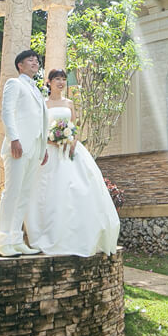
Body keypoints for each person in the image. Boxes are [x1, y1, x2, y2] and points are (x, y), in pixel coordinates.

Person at [26, 68, 120, 256]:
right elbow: (40, 128)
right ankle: (47, 234)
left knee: (78, 189)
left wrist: (71, 141)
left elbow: (74, 127)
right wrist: (53, 140)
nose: (60, 82)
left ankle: (76, 235)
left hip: (70, 150)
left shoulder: (69, 103)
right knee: (48, 193)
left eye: (63, 79)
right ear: (49, 82)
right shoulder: (43, 103)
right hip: (50, 151)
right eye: (57, 79)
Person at [0, 49, 49, 257]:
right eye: (30, 60)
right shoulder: (14, 84)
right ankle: (3, 241)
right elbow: (7, 112)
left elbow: (41, 121)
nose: (35, 62)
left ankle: (16, 239)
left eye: (37, 60)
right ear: (20, 65)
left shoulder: (37, 89)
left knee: (24, 194)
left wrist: (42, 148)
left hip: (34, 149)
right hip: (18, 146)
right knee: (12, 192)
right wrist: (14, 139)